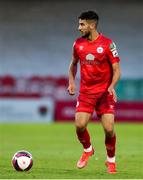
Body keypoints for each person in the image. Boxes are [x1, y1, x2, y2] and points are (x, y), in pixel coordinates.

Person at [68, 10, 121, 174]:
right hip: (86, 92)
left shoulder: (108, 44)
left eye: (82, 24)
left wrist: (112, 86)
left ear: (92, 25)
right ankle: (87, 149)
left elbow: (117, 70)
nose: (79, 27)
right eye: (79, 24)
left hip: (104, 93)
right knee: (80, 125)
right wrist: (71, 82)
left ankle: (111, 161)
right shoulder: (78, 44)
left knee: (109, 129)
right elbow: (73, 64)